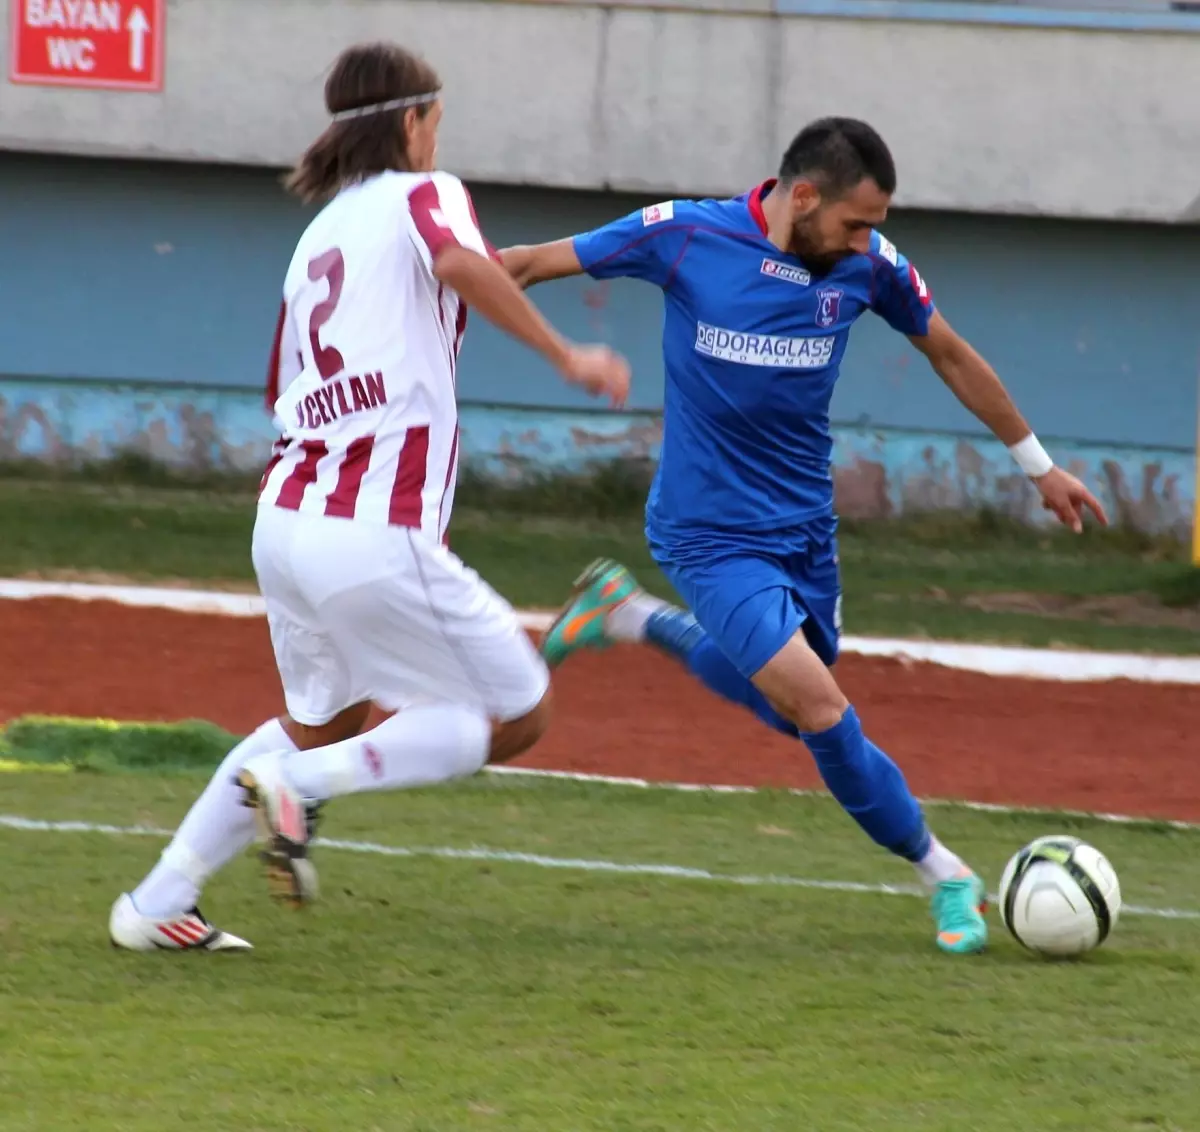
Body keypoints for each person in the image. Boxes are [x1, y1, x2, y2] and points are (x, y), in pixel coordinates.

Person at [499, 117, 1108, 956]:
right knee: (820, 706)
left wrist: (1038, 466)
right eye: (857, 223)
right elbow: (521, 265)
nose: (867, 242)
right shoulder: (684, 235)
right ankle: (945, 874)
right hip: (706, 535)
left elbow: (953, 355)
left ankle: (629, 614)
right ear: (805, 196)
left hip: (803, 532)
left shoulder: (867, 268)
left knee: (799, 716)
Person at [109, 41, 629, 952]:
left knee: (319, 726)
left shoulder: (318, 236)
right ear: (414, 121)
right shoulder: (426, 193)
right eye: (437, 121)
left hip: (286, 518)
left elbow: (293, 380)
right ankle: (303, 792)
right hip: (370, 526)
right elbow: (458, 265)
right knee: (517, 711)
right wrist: (566, 355)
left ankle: (155, 902)